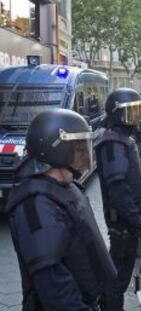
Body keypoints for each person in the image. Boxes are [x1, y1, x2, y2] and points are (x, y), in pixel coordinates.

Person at [7, 109, 116, 310]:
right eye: (79, 147)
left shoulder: (66, 186)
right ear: (56, 150)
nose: (84, 153)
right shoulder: (36, 204)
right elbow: (54, 288)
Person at [94, 88, 141, 311]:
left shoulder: (121, 140)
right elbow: (118, 191)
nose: (137, 117)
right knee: (118, 280)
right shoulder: (113, 144)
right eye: (132, 112)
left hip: (128, 223)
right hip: (124, 225)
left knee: (118, 275)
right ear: (117, 113)